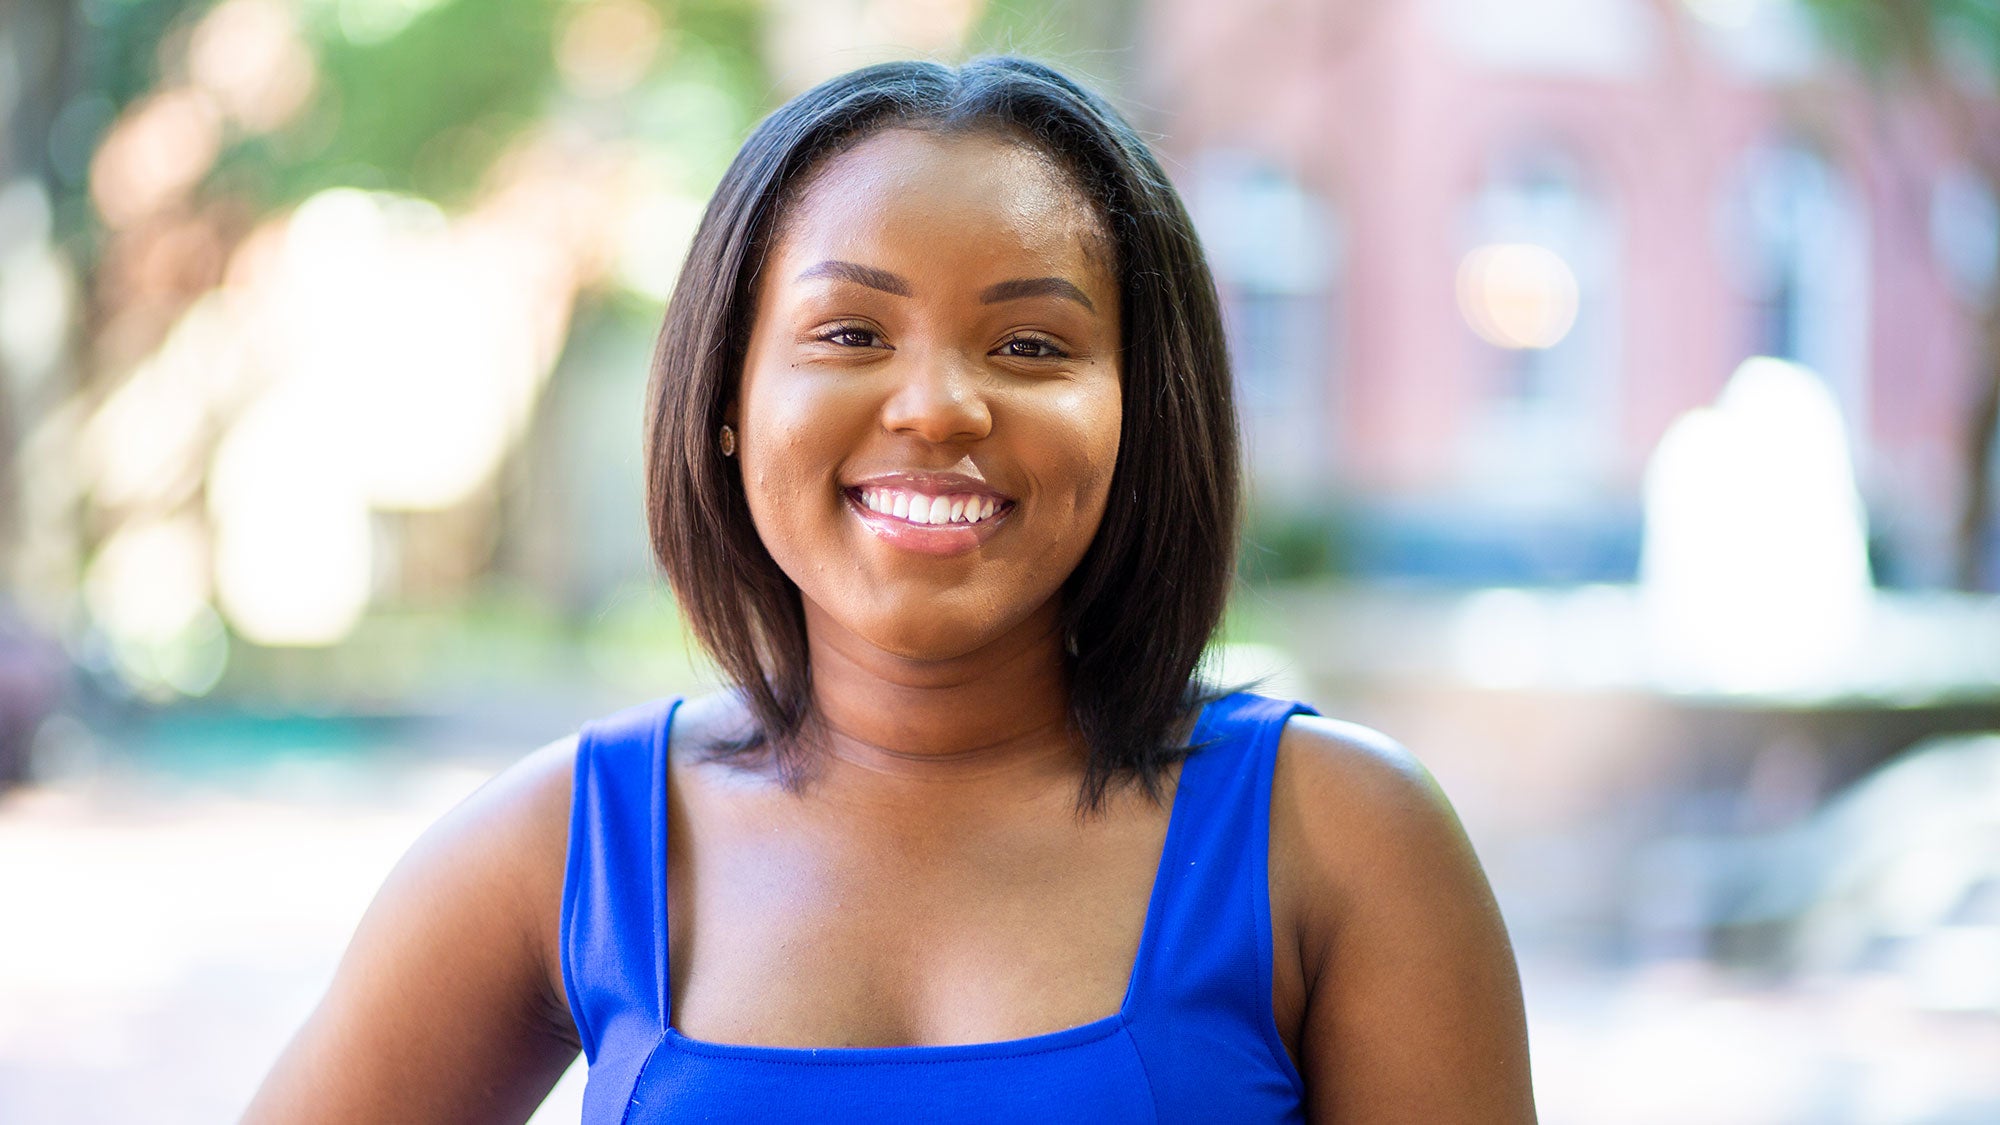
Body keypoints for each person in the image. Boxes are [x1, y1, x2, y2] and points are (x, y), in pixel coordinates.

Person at [244, 57, 1535, 1123]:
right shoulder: (569, 848)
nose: (938, 405)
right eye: (851, 334)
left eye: (1032, 345)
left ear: (1140, 416)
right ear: (730, 402)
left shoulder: (1345, 841)